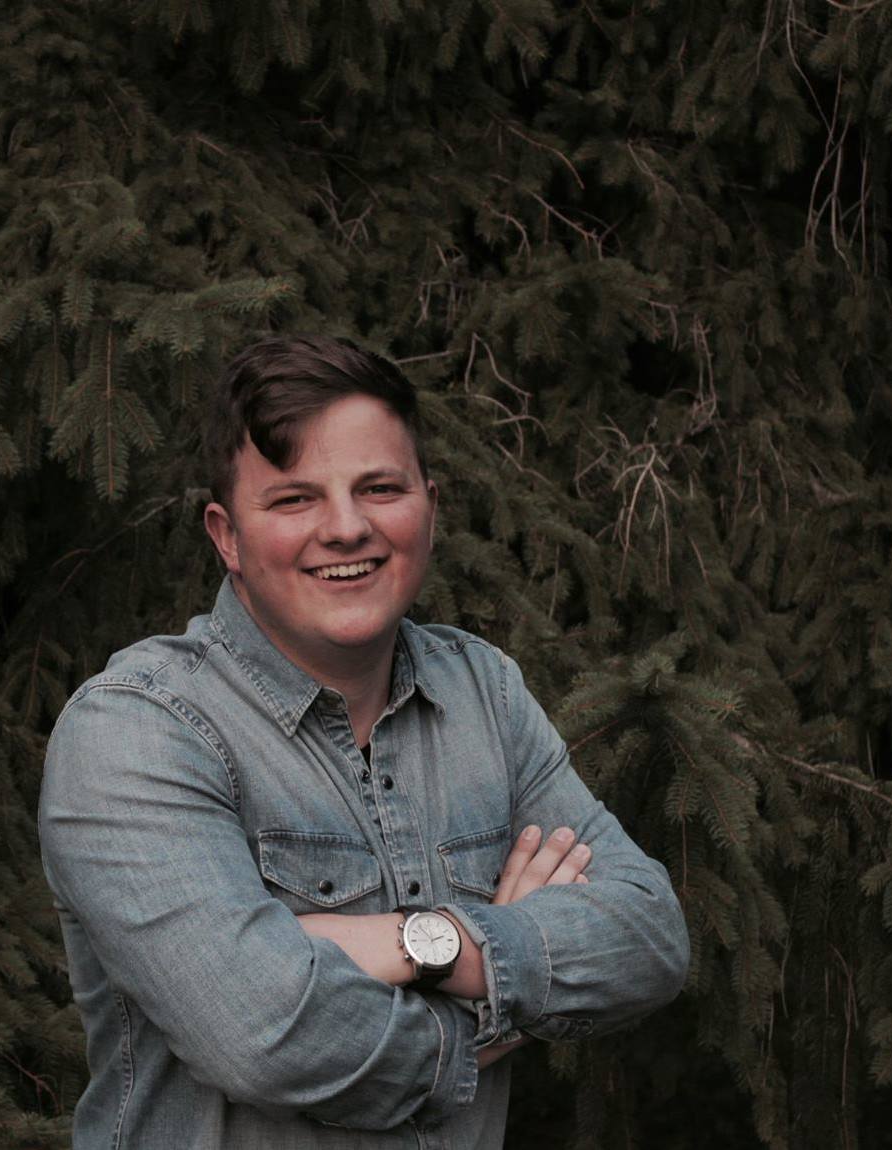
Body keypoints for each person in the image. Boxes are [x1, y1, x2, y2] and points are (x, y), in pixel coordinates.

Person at [38, 335, 690, 1148]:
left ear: (429, 507)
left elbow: (647, 935)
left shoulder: (483, 693)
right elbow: (262, 1037)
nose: (346, 528)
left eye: (379, 488)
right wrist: (503, 1000)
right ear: (227, 535)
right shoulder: (136, 731)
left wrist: (427, 946)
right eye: (294, 499)